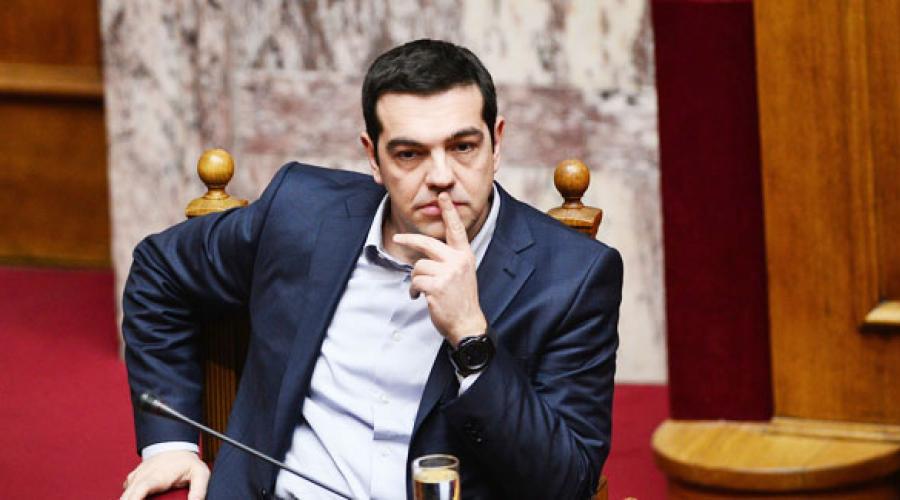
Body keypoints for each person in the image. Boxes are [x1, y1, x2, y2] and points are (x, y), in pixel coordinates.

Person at [120, 39, 622, 500]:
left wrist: (472, 340)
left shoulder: (572, 276)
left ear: (497, 142)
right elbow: (159, 271)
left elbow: (568, 483)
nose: (441, 177)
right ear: (374, 158)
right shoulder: (301, 214)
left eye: (463, 147)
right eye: (410, 154)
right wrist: (169, 446)